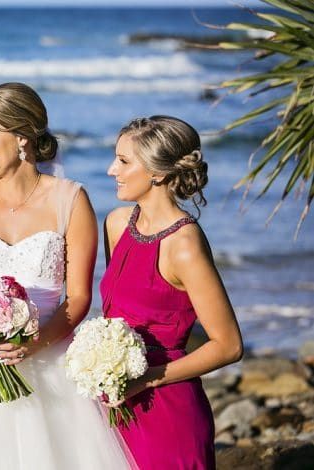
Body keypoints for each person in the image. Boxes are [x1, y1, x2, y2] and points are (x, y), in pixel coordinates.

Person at [0, 83, 134, 469]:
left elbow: (78, 298)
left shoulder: (71, 200)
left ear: (22, 136)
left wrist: (32, 346)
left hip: (49, 364)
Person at [102, 116, 244, 469]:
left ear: (158, 173)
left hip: (167, 410)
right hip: (113, 403)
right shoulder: (117, 224)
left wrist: (146, 380)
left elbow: (228, 346)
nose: (110, 170)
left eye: (123, 161)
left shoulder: (184, 246)